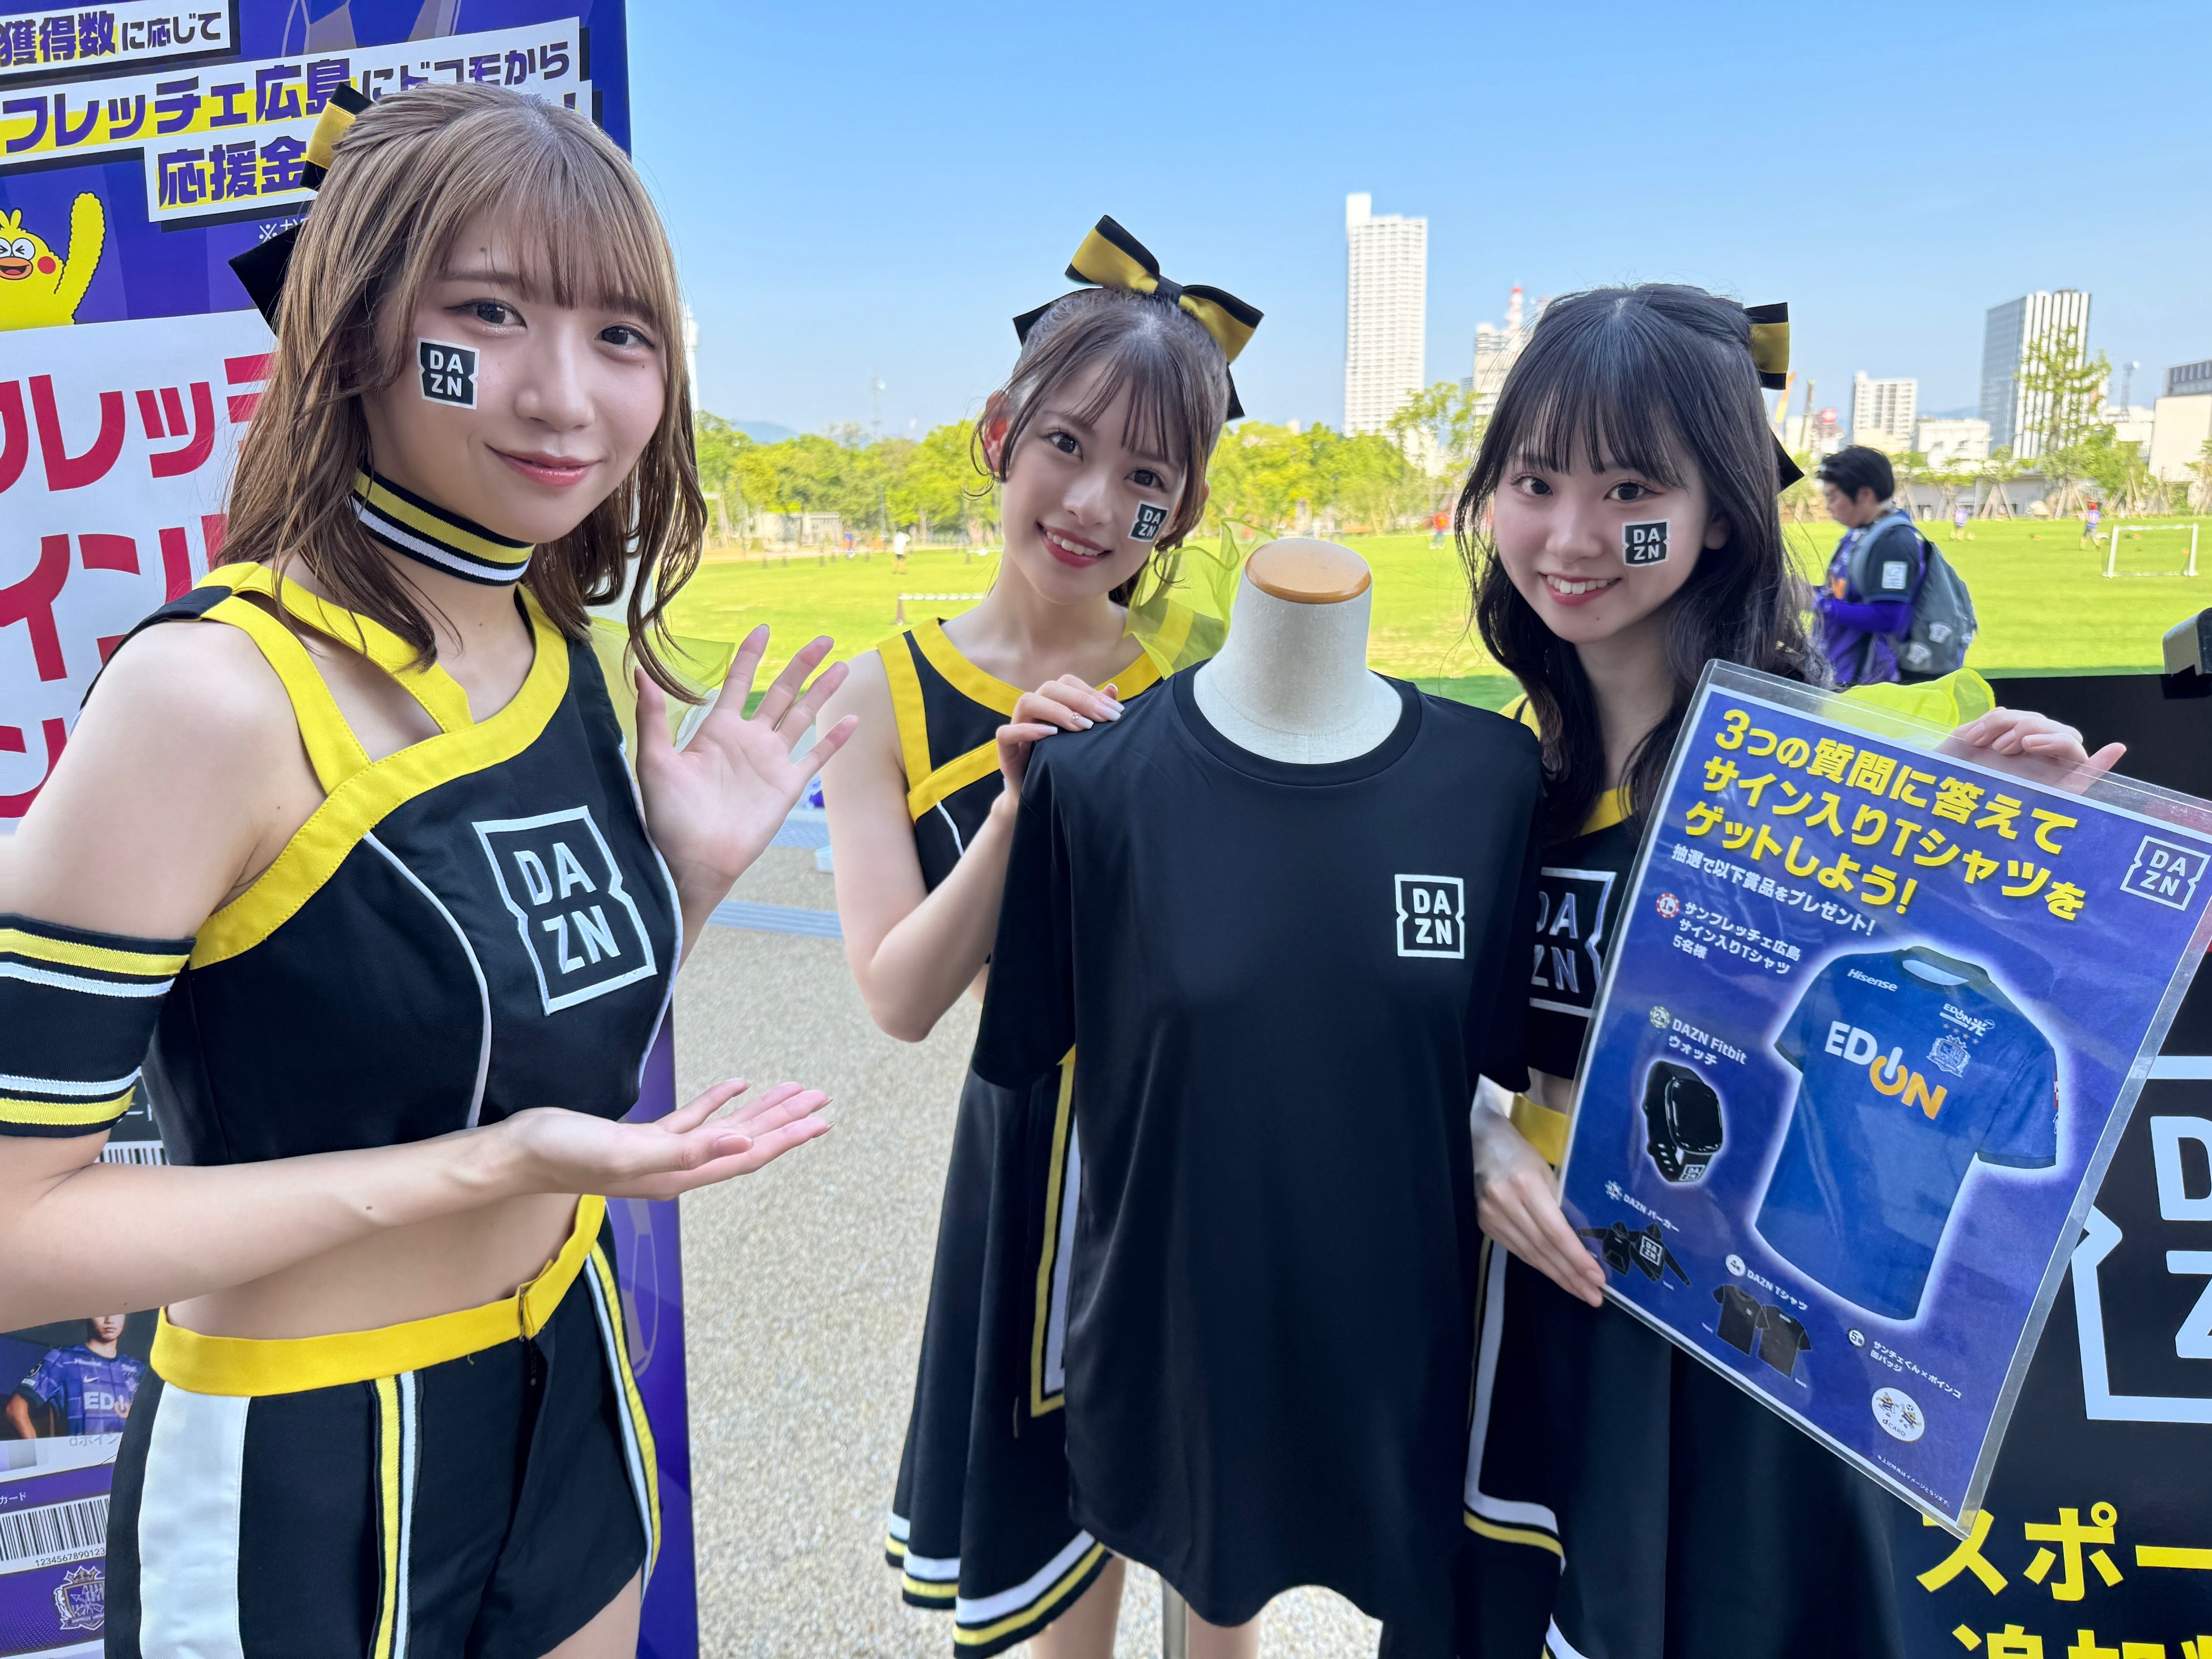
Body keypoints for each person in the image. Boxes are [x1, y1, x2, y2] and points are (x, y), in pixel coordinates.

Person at [0, 84, 851, 1659]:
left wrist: (683, 879)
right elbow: (12, 1234)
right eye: (489, 315)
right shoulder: (215, 697)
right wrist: (481, 1168)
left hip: (565, 1378)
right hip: (303, 1463)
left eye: (620, 334)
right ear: (352, 332)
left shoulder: (563, 650)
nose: (564, 396)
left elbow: (486, 1044)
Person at [1449, 284, 2121, 1659]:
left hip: (1752, 1339)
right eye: (1534, 481)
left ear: (1719, 513)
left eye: (1631, 489)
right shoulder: (1483, 777)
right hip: (1542, 1314)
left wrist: (2029, 845)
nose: (1571, 536)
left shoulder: (1832, 780)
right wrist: (1472, 1134)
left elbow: (2035, 1002)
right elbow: (1394, 1031)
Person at [820, 216, 1255, 1658]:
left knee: (1217, 1579)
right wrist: (1020, 810)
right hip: (1030, 1152)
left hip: (1203, 1152)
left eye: (1148, 479)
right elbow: (898, 994)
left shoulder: (1211, 679)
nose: (1093, 503)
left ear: (1182, 511)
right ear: (1000, 434)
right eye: (1067, 444)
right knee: (1051, 1587)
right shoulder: (881, 694)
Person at [1812, 445, 1934, 686]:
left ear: (1865, 494)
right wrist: (1807, 592)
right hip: (1837, 671)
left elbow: (1887, 617)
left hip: (1861, 684)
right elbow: (1846, 597)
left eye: (1833, 497)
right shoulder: (1863, 533)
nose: (1828, 506)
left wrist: (1816, 603)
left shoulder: (1894, 542)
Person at [6, 1314, 144, 1437]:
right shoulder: (63, 1359)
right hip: (82, 1456)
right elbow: (15, 1409)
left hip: (126, 1457)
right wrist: (36, 1453)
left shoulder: (137, 1368)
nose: (109, 1320)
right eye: (101, 1312)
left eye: (117, 1313)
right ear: (88, 1317)